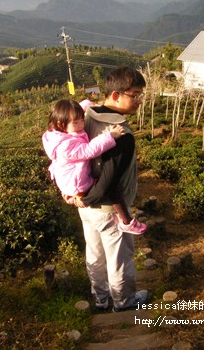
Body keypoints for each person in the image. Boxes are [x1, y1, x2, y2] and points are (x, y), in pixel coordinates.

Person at [73, 66, 149, 312]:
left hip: (85, 205)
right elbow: (110, 182)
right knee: (119, 258)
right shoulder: (121, 134)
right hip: (107, 208)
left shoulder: (87, 116)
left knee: (94, 253)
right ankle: (124, 301)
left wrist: (80, 198)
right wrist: (91, 199)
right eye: (134, 94)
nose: (139, 101)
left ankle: (101, 297)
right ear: (116, 95)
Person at [41, 99, 147, 235]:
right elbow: (88, 150)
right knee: (111, 187)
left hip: (69, 180)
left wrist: (87, 104)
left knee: (95, 252)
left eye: (81, 119)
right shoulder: (65, 146)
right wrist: (110, 136)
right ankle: (126, 222)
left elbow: (77, 110)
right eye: (76, 122)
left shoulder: (56, 134)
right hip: (77, 184)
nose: (81, 124)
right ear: (61, 124)